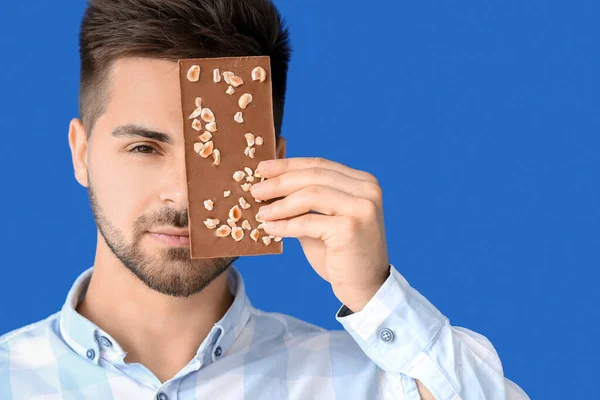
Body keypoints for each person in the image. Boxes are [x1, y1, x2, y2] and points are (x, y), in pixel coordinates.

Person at [0, 0, 530, 399]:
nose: (182, 192)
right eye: (144, 147)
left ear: (275, 161)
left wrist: (376, 296)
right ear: (81, 153)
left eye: (220, 154)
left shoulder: (370, 381)